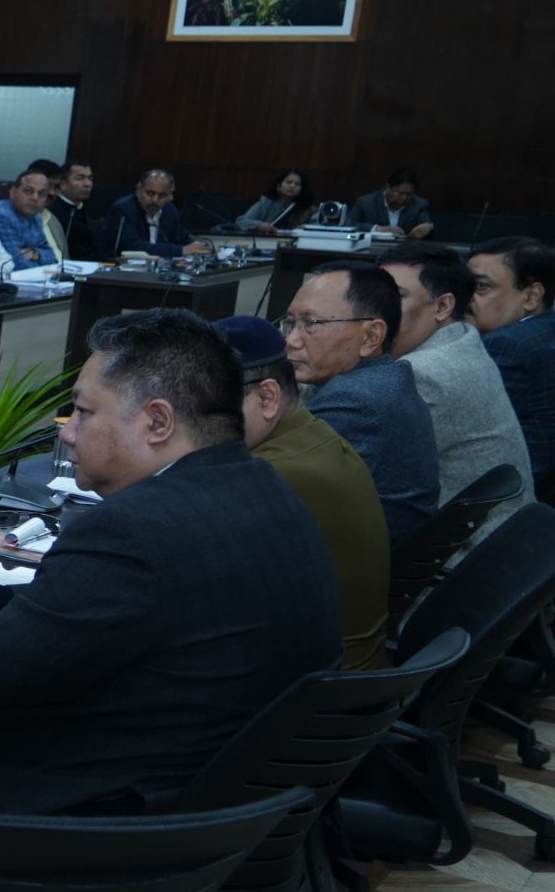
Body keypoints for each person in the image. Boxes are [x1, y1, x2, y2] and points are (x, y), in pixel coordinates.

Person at [0, 308, 341, 814]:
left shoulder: (132, 531)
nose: (68, 433)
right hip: (236, 809)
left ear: (157, 422)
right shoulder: (266, 487)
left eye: (83, 411)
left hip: (107, 819)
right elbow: (105, 619)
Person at [218, 315, 392, 671]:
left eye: (207, 408)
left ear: (267, 397)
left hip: (318, 688)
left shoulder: (270, 474)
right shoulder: (313, 436)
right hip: (345, 671)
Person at [283, 261, 441, 543]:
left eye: (311, 324)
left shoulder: (355, 401)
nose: (292, 340)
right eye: (291, 323)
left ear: (371, 336)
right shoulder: (384, 377)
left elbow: (273, 487)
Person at [378, 242, 530, 535]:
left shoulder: (421, 372)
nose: (376, 308)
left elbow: (351, 466)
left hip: (462, 552)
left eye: (395, 296)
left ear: (443, 306)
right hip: (508, 536)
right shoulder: (463, 338)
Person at [470, 238, 555, 481]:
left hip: (512, 485)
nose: (466, 298)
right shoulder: (543, 330)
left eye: (481, 286)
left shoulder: (508, 345)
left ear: (531, 297)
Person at [106, 169, 211, 258]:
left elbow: (181, 237)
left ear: (170, 196)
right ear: (138, 189)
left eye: (162, 195)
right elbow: (132, 246)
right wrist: (180, 250)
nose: (155, 200)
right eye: (150, 193)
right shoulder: (123, 209)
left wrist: (199, 246)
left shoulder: (169, 210)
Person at [0, 166, 65, 271]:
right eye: (28, 191)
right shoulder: (1, 216)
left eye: (41, 194)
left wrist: (35, 254)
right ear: (13, 192)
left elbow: (52, 257)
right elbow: (14, 265)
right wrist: (42, 263)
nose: (35, 198)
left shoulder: (36, 217)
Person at [352, 169, 434, 240]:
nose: (404, 198)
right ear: (388, 187)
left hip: (404, 250)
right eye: (400, 193)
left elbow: (428, 226)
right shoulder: (365, 202)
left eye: (409, 194)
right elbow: (349, 225)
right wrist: (378, 228)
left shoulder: (419, 205)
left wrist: (428, 227)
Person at [50, 160, 104, 259]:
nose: (88, 184)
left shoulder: (90, 208)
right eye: (80, 178)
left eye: (90, 178)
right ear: (63, 184)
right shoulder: (52, 212)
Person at [239, 168, 313, 235]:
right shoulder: (266, 203)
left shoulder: (307, 209)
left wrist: (306, 228)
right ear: (279, 186)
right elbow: (240, 222)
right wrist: (259, 225)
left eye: (297, 184)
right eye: (289, 182)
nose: (292, 186)